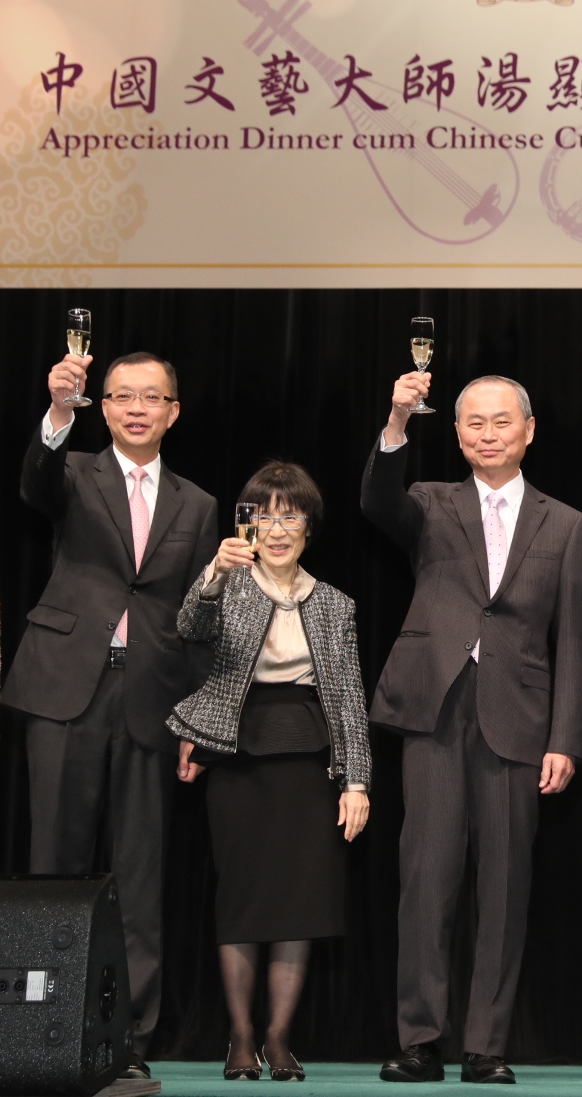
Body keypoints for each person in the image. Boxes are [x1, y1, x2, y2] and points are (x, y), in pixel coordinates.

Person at [362, 370, 582, 1084]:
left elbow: (576, 640)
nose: (487, 434)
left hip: (519, 719)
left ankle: (487, 1044)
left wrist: (566, 738)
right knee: (426, 878)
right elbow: (375, 502)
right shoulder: (429, 502)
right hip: (434, 709)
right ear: (456, 433)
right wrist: (398, 421)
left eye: (501, 422)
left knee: (505, 883)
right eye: (473, 424)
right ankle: (419, 1038)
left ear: (528, 431)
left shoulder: (566, 522)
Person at [1, 349, 217, 1077]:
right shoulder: (72, 472)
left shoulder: (198, 504)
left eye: (151, 397)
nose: (134, 407)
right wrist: (58, 412)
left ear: (172, 411)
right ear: (104, 405)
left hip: (153, 698)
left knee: (139, 876)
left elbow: (198, 621)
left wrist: (197, 720)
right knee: (54, 865)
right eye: (121, 395)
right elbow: (34, 481)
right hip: (67, 686)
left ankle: (128, 1039)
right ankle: (41, 1031)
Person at [168, 461, 372, 1083]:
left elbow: (348, 698)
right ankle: (240, 1037)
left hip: (309, 757)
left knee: (300, 903)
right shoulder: (227, 583)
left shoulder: (335, 604)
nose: (276, 529)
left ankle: (279, 1039)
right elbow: (188, 629)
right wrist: (211, 575)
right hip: (239, 755)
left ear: (309, 526)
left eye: (290, 516)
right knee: (243, 898)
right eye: (264, 515)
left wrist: (357, 781)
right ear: (246, 524)